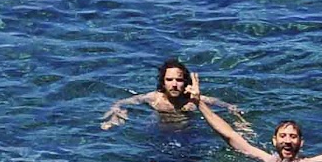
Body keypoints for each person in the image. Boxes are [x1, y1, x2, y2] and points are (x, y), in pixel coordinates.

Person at [99, 60, 235, 129]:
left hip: (187, 131)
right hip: (159, 130)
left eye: (179, 80)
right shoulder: (153, 98)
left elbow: (229, 106)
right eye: (169, 80)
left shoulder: (194, 101)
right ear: (163, 83)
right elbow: (121, 102)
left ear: (186, 82)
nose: (174, 84)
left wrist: (238, 120)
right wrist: (116, 113)